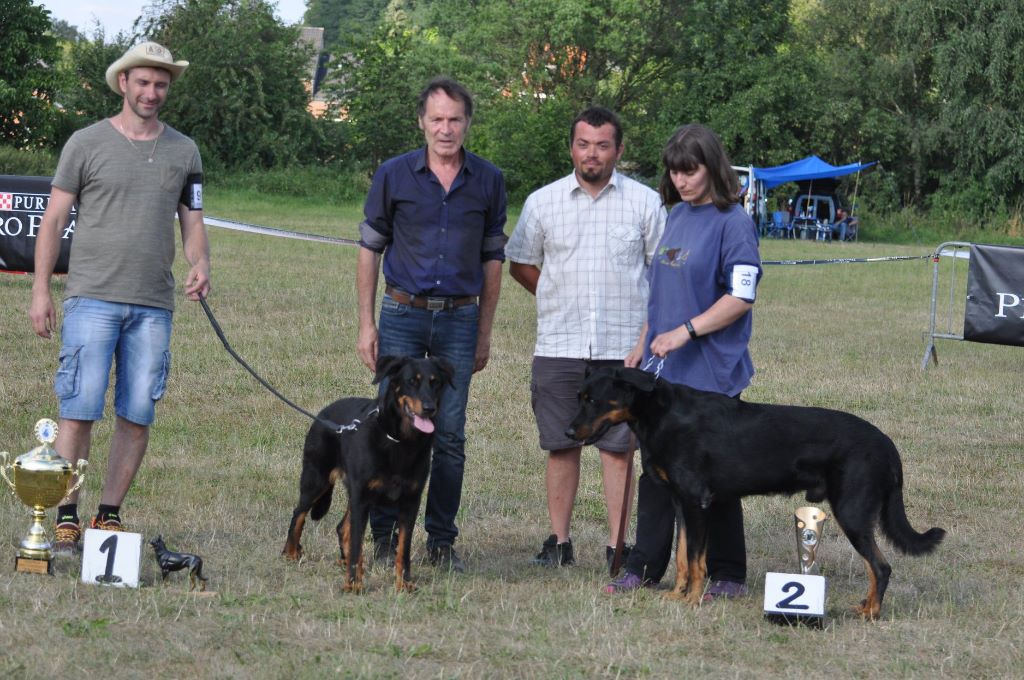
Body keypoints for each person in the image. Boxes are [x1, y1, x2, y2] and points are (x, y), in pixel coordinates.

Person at [29, 42, 210, 554]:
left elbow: (192, 223)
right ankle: (65, 516)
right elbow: (53, 222)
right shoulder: (85, 144)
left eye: (161, 85)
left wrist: (201, 264)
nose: (152, 93)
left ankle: (108, 516)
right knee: (78, 411)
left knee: (137, 413)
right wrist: (42, 289)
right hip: (91, 298)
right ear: (124, 83)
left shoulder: (184, 151)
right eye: (144, 83)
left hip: (153, 305)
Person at [604, 124, 762, 599]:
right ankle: (645, 567)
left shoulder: (734, 222)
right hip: (662, 374)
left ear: (712, 167)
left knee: (716, 477)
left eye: (690, 171)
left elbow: (741, 296)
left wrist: (686, 331)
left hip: (710, 373)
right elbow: (660, 296)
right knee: (656, 472)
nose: (681, 180)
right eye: (674, 172)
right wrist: (644, 341)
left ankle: (728, 573)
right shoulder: (674, 216)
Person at [356, 77, 507, 574]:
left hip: (459, 321)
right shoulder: (393, 175)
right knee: (389, 428)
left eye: (455, 119)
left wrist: (484, 331)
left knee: (449, 435)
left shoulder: (488, 180)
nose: (446, 129)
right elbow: (369, 249)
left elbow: (492, 261)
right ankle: (381, 536)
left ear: (468, 123)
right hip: (400, 314)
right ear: (421, 121)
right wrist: (365, 323)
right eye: (437, 119)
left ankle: (441, 540)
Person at [506, 106, 665, 568]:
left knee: (619, 449)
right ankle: (559, 543)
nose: (591, 154)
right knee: (561, 443)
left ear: (618, 149)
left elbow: (663, 271)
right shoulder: (543, 202)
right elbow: (520, 261)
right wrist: (553, 295)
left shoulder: (645, 202)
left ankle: (618, 547)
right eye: (582, 144)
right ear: (570, 147)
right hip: (560, 343)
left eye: (601, 145)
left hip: (623, 347)